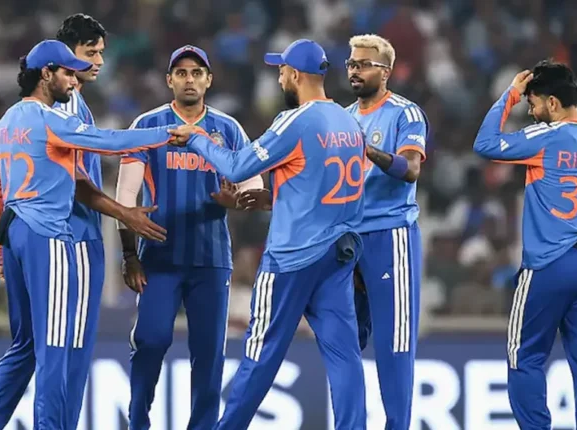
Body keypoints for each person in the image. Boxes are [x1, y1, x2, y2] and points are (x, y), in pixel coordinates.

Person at [0, 39, 179, 430]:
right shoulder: (50, 119)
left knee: (24, 345)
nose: (74, 80)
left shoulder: (6, 122)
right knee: (55, 346)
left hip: (15, 233)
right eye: (66, 72)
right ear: (45, 74)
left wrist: (1, 253)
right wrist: (168, 133)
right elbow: (107, 141)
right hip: (48, 235)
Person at [168, 38, 367, 430]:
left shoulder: (296, 120)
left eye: (281, 71)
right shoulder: (349, 122)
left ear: (295, 75)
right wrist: (274, 196)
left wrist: (196, 138)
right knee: (344, 355)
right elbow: (322, 182)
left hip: (293, 256)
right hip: (338, 252)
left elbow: (237, 167)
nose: (278, 78)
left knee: (261, 353)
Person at [115, 44, 263, 430]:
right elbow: (126, 195)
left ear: (208, 80)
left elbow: (255, 186)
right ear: (169, 80)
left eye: (197, 73)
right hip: (158, 257)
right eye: (181, 73)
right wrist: (129, 255)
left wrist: (237, 200)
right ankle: (138, 421)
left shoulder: (228, 129)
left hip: (210, 258)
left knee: (209, 354)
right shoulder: (148, 125)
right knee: (150, 340)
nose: (189, 79)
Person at [473, 61, 577, 430]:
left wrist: (510, 95)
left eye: (533, 104)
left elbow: (485, 143)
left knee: (524, 357)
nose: (531, 112)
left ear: (553, 103)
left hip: (549, 263)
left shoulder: (547, 137)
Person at [343, 34, 427, 430]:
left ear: (386, 72)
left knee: (394, 345)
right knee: (343, 343)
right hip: (347, 239)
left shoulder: (404, 113)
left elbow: (410, 169)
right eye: (351, 64)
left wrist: (369, 151)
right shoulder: (342, 118)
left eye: (363, 64)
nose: (354, 70)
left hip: (390, 234)